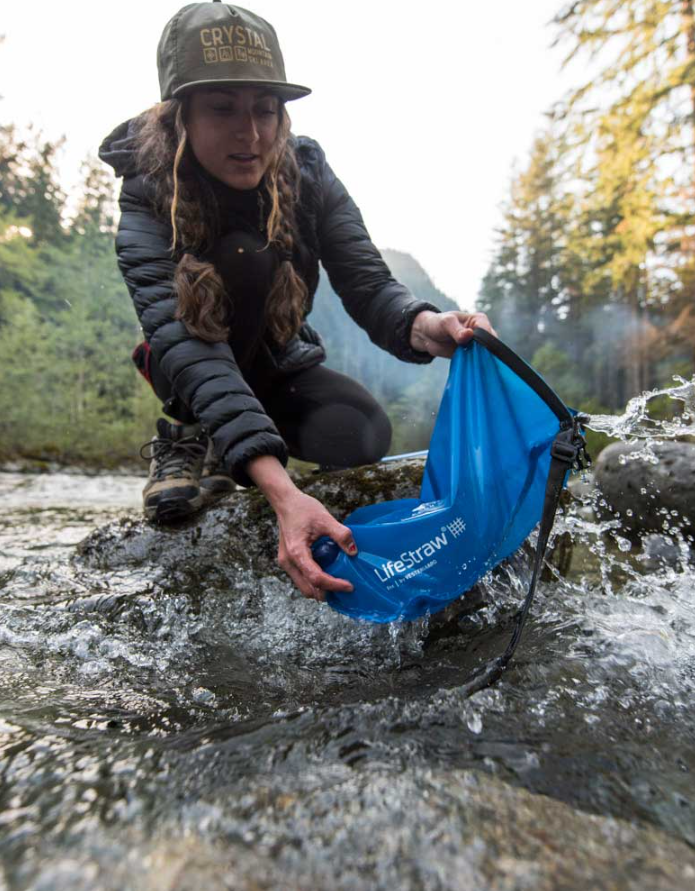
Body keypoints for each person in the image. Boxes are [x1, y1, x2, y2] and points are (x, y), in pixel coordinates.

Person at [99, 1, 496, 603]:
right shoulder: (146, 200)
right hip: (192, 368)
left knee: (361, 433)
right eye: (223, 109)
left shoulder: (308, 173)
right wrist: (283, 495)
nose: (250, 133)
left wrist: (426, 324)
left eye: (265, 108)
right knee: (244, 256)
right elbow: (187, 343)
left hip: (278, 367)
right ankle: (186, 434)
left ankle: (236, 453)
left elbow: (367, 282)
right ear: (181, 116)